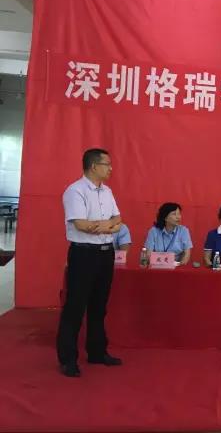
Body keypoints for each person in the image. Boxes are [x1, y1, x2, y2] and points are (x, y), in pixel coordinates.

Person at [57, 148, 123, 377]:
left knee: (99, 305)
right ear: (94, 166)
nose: (111, 168)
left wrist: (105, 226)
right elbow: (81, 225)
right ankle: (68, 358)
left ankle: (96, 351)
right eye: (107, 164)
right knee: (75, 306)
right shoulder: (75, 190)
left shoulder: (107, 191)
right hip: (84, 254)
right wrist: (109, 226)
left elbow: (118, 219)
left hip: (106, 253)